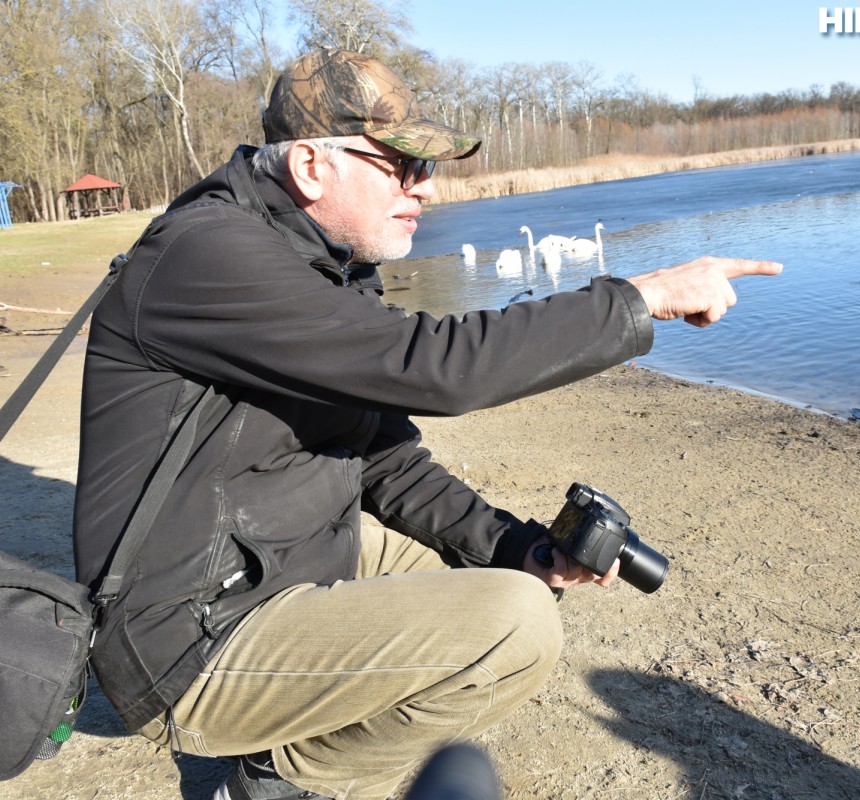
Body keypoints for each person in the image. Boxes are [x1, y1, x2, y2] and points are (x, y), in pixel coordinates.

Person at [72, 48, 781, 800]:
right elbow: (435, 367)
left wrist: (515, 547)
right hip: (182, 633)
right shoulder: (211, 256)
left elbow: (382, 453)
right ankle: (275, 782)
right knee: (515, 626)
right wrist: (640, 297)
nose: (427, 186)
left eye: (428, 168)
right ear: (313, 166)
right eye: (402, 166)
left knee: (508, 583)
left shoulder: (317, 263)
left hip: (263, 559)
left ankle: (296, 736)